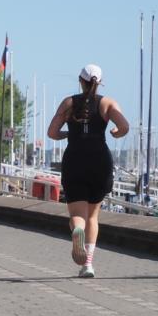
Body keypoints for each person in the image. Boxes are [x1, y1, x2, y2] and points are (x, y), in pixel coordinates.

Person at [47, 64, 129, 278]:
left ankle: (77, 231)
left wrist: (68, 135)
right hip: (99, 161)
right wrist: (115, 133)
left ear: (80, 80)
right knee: (93, 215)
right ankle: (88, 266)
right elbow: (124, 127)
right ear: (99, 82)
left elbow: (52, 132)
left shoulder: (68, 103)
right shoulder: (108, 103)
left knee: (77, 215)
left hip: (75, 159)